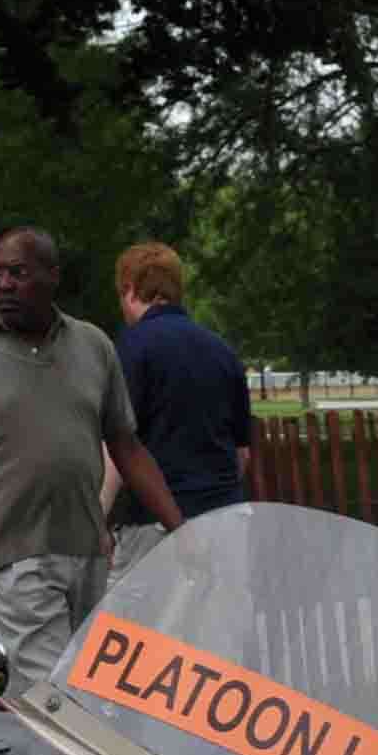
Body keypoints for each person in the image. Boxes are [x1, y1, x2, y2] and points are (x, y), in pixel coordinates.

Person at [0, 226, 186, 679]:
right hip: (13, 555)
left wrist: (182, 531)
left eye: (18, 272)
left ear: (52, 275)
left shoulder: (93, 346)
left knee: (89, 690)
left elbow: (127, 447)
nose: (4, 284)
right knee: (51, 693)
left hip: (88, 551)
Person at [105, 242, 252, 575]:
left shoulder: (131, 349)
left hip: (155, 526)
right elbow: (241, 455)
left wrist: (97, 517)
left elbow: (118, 445)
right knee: (221, 610)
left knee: (138, 610)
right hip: (226, 520)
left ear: (128, 289)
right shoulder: (222, 351)